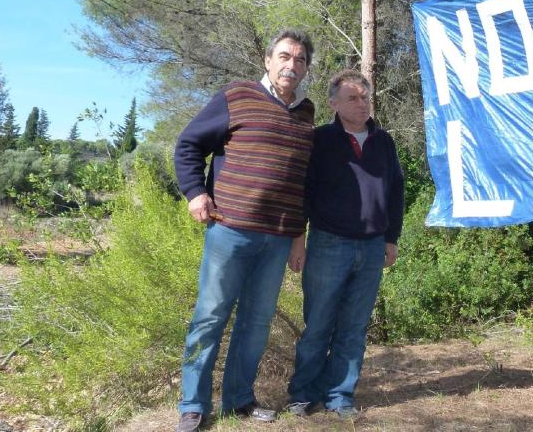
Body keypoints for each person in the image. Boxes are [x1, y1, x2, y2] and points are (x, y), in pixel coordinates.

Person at [172, 29, 315, 432]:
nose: (292, 64)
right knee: (210, 317)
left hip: (278, 238)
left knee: (256, 321)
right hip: (230, 230)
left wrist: (298, 236)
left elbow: (300, 181)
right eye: (285, 56)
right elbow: (188, 144)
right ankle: (193, 405)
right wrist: (195, 194)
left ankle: (239, 400)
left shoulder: (307, 114)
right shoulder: (237, 96)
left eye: (301, 59)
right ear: (268, 61)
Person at [284, 69, 404, 419]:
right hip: (327, 244)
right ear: (334, 103)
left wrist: (391, 238)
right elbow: (302, 193)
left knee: (353, 327)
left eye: (365, 97)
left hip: (371, 248)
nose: (362, 103)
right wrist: (298, 240)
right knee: (318, 324)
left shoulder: (384, 141)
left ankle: (340, 396)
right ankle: (303, 394)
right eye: (353, 97)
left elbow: (396, 191)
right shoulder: (319, 139)